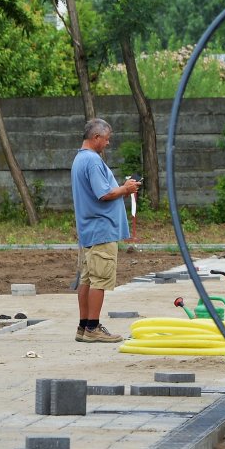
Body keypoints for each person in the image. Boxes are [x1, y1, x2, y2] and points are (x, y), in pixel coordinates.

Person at [71, 118, 139, 343]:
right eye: (107, 139)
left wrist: (119, 187)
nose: (108, 143)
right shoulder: (92, 161)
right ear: (96, 137)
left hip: (89, 229)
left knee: (87, 279)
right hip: (101, 229)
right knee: (99, 280)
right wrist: (126, 188)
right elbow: (104, 194)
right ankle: (93, 328)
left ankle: (83, 326)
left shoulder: (80, 159)